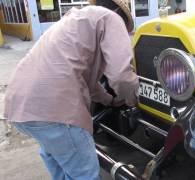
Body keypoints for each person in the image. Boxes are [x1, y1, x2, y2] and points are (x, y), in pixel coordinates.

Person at [4, 0, 138, 179]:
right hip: (55, 110)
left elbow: (82, 77)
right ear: (119, 13)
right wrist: (133, 99)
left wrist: (109, 100)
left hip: (20, 104)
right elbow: (121, 76)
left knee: (59, 162)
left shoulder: (74, 18)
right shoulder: (111, 18)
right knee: (85, 174)